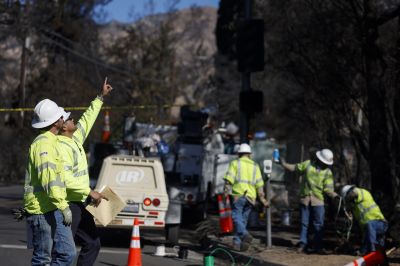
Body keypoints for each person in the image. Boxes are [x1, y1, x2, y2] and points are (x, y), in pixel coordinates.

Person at [57, 77, 112, 266]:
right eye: (70, 118)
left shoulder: (75, 138)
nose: (74, 119)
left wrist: (100, 97)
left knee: (93, 243)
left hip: (79, 202)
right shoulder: (61, 147)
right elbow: (66, 178)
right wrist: (90, 192)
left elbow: (88, 119)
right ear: (64, 127)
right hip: (68, 205)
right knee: (64, 252)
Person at [24, 99, 76, 265]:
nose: (64, 119)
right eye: (61, 117)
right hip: (41, 210)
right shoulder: (44, 144)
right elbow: (49, 179)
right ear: (56, 122)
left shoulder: (50, 141)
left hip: (51, 206)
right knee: (43, 259)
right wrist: (63, 206)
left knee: (66, 253)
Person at [280, 148, 339, 254]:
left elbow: (328, 189)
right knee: (304, 223)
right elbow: (295, 168)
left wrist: (335, 196)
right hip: (305, 199)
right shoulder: (308, 164)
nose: (325, 164)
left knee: (318, 224)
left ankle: (318, 246)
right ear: (319, 159)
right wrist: (284, 164)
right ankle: (303, 244)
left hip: (318, 201)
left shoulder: (328, 172)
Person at [223, 143, 269, 251]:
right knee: (242, 221)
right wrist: (262, 199)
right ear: (249, 154)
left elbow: (229, 180)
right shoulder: (255, 165)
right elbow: (259, 184)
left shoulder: (235, 163)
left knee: (235, 217)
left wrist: (225, 194)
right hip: (251, 198)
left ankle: (245, 235)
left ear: (239, 153)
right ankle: (237, 244)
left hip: (238, 195)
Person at [341, 185, 387, 255]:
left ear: (350, 192)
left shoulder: (363, 193)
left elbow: (356, 193)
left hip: (380, 224)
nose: (348, 199)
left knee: (369, 225)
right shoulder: (355, 204)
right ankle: (371, 251)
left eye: (348, 197)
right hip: (369, 231)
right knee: (365, 249)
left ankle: (373, 251)